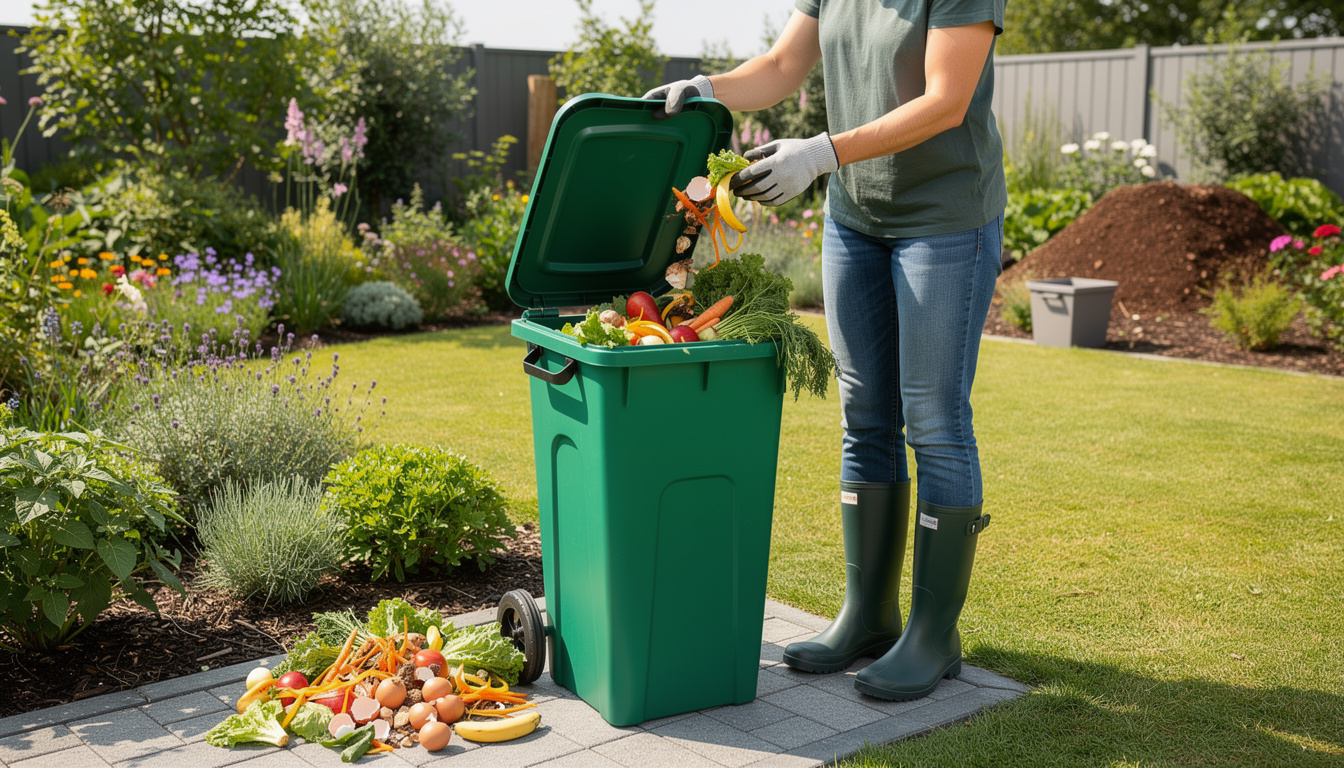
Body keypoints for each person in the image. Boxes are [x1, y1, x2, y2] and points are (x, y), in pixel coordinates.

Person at [642, 0, 1004, 701]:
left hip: (945, 219)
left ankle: (933, 634)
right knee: (864, 415)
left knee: (934, 419)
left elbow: (945, 102)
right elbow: (782, 67)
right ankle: (868, 616)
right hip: (856, 219)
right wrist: (708, 88)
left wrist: (822, 151)